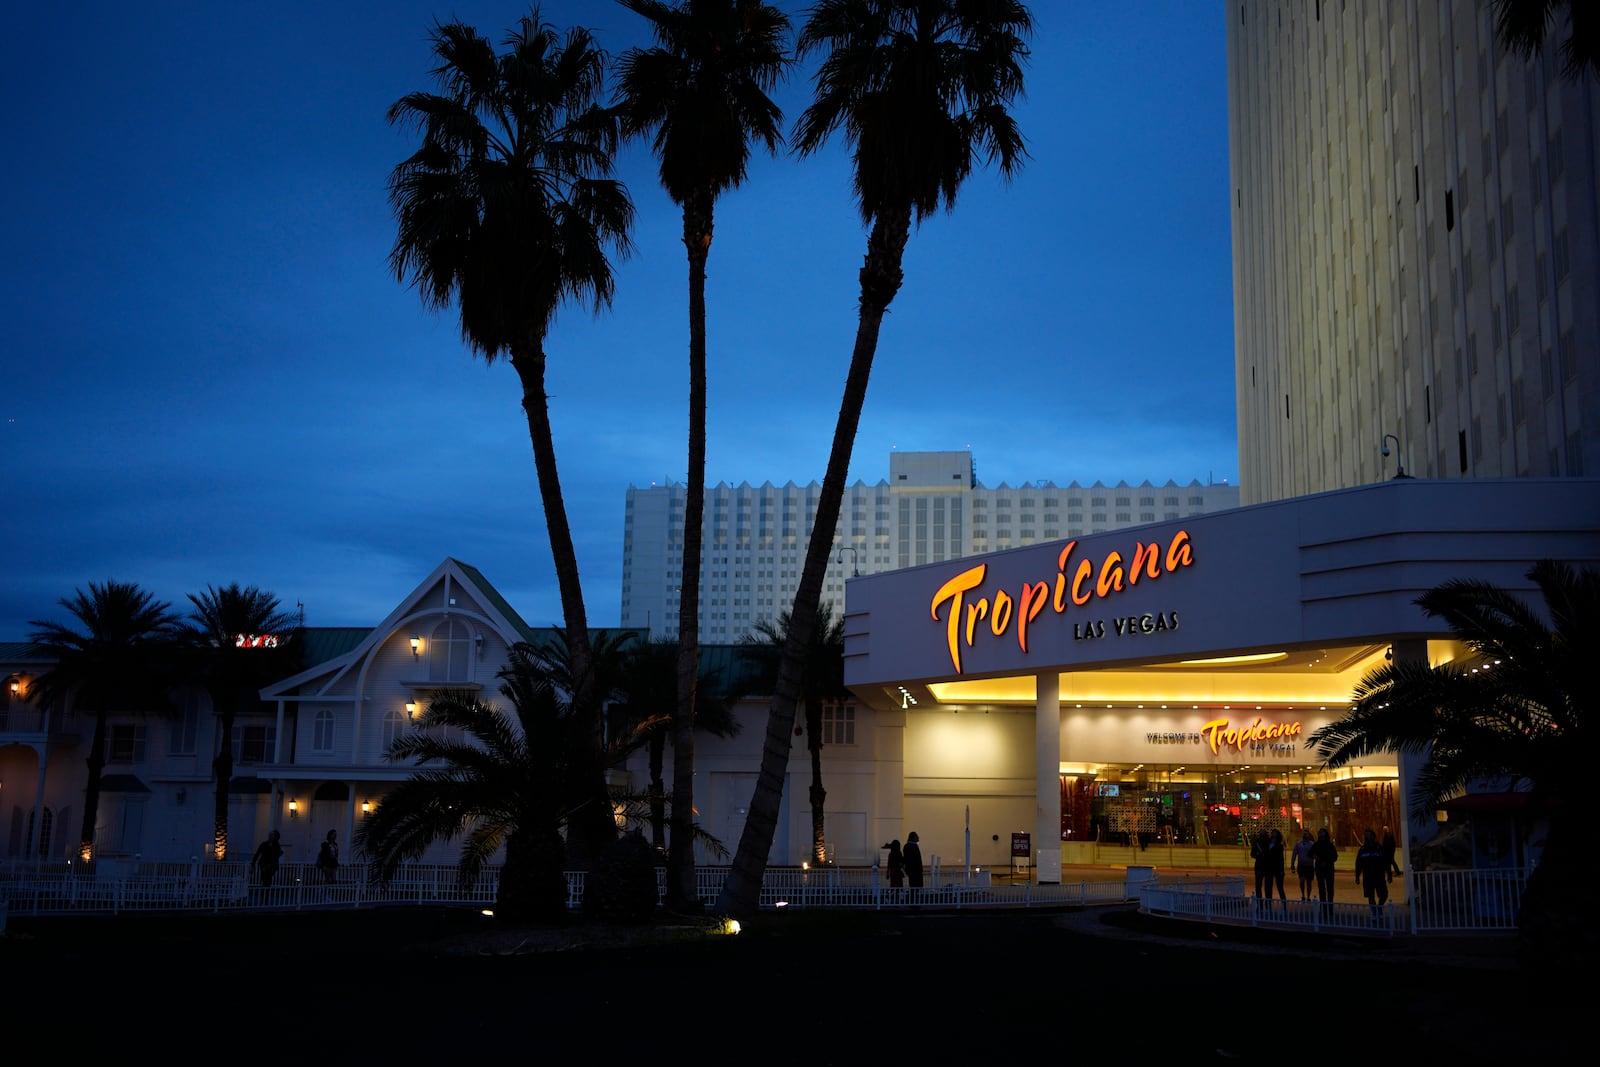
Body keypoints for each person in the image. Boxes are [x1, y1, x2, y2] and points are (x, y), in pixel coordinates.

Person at [1355, 828, 1390, 918]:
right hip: (1368, 876)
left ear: (1373, 836)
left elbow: (1386, 862)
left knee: (1384, 894)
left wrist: (1389, 874)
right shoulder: (1362, 850)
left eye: (1369, 834)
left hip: (1379, 876)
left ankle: (1379, 907)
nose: (1367, 837)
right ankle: (1374, 912)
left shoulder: (1379, 848)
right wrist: (1357, 876)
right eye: (1366, 835)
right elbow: (1358, 864)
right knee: (1371, 896)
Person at [1310, 827, 1338, 903]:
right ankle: (1323, 906)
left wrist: (1327, 862)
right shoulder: (1316, 844)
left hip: (1329, 868)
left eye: (1322, 832)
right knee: (1321, 888)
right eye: (1320, 832)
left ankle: (1330, 905)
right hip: (1319, 869)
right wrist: (1315, 857)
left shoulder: (1329, 845)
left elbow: (1335, 856)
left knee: (1330, 888)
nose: (1321, 834)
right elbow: (1310, 853)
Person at [1290, 829, 1316, 901]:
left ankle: (1308, 896)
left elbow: (1315, 854)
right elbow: (1294, 854)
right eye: (1304, 834)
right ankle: (1303, 895)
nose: (1305, 835)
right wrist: (1292, 863)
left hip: (1309, 865)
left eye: (1306, 834)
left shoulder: (1312, 844)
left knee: (1309, 882)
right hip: (1301, 865)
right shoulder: (1298, 844)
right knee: (1302, 881)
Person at [1266, 828, 1288, 903]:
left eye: (1275, 834)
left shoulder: (1279, 845)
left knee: (1280, 888)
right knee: (1268, 888)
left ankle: (1284, 906)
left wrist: (1281, 870)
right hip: (1269, 868)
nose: (1273, 835)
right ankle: (1268, 906)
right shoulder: (1268, 844)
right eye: (1273, 833)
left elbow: (1281, 858)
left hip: (1277, 869)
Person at [1250, 828, 1272, 902]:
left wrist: (1258, 855)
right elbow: (1252, 854)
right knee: (1264, 887)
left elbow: (1252, 854)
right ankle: (1264, 904)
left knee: (1261, 886)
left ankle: (1261, 904)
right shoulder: (1268, 842)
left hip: (1261, 866)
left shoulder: (1257, 842)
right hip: (1264, 866)